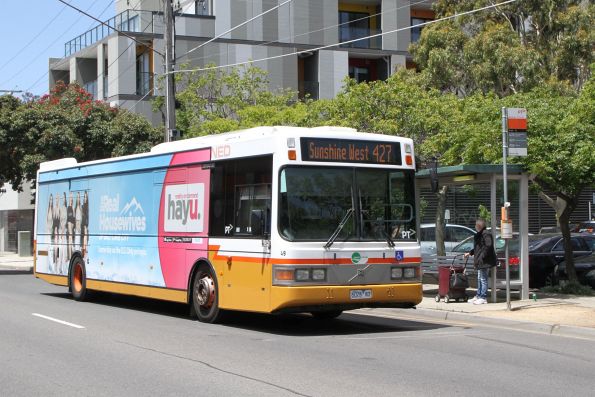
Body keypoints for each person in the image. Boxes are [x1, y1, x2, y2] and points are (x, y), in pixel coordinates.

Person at [464, 218, 497, 305]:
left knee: (483, 279)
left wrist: (482, 257)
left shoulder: (486, 234)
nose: (475, 226)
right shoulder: (480, 234)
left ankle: (483, 297)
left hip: (485, 261)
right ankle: (479, 295)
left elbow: (488, 246)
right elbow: (478, 248)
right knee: (479, 278)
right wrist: (470, 253)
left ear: (478, 226)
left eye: (475, 225)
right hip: (480, 261)